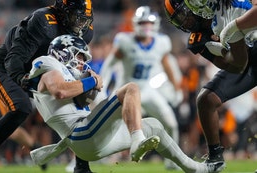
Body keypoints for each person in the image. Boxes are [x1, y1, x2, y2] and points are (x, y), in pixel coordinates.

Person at [28, 34, 224, 173]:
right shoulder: (47, 63)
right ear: (64, 52)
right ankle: (137, 140)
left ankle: (194, 169)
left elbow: (91, 103)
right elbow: (60, 91)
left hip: (88, 136)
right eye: (79, 55)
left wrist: (92, 89)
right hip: (80, 134)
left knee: (154, 126)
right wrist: (92, 82)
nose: (81, 62)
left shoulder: (68, 74)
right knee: (130, 88)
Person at [0, 0, 95, 173]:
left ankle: (81, 166)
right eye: (75, 17)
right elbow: (14, 57)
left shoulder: (85, 32)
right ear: (63, 11)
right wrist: (20, 77)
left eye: (84, 18)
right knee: (21, 108)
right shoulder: (43, 21)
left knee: (77, 107)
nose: (80, 23)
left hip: (43, 72)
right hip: (8, 67)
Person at [164, 0, 257, 170]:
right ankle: (215, 158)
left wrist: (234, 28)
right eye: (178, 20)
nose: (185, 22)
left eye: (183, 15)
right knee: (206, 100)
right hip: (245, 61)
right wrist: (222, 50)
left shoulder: (227, 6)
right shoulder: (198, 38)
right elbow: (233, 66)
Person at [99, 6, 182, 169]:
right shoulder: (125, 41)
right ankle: (102, 156)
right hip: (127, 90)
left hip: (148, 90)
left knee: (171, 124)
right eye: (143, 23)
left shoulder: (161, 42)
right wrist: (103, 88)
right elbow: (109, 65)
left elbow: (167, 66)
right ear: (136, 24)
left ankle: (171, 160)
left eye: (149, 23)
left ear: (155, 24)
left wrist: (177, 88)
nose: (146, 27)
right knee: (113, 127)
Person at [182, 0, 252, 74]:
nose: (186, 22)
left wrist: (223, 51)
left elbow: (241, 64)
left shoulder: (219, 22)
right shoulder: (220, 18)